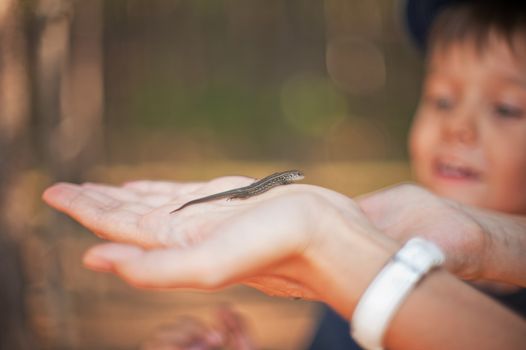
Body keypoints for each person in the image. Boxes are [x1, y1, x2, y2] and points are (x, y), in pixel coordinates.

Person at [41, 0, 526, 349]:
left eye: (507, 107)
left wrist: (331, 246)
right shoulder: (341, 303)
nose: (458, 127)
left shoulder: (352, 270)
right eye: (441, 98)